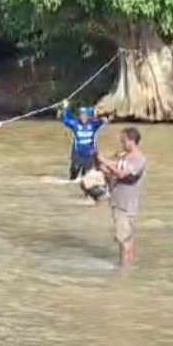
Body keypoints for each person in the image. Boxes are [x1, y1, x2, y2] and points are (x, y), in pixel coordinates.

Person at [97, 127, 147, 267]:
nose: (121, 143)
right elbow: (112, 173)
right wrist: (102, 166)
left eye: (123, 140)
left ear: (132, 141)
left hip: (126, 204)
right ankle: (127, 266)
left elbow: (122, 174)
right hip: (117, 201)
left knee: (124, 239)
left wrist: (105, 161)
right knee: (125, 239)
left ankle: (123, 270)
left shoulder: (139, 159)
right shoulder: (122, 156)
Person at [61, 99, 108, 180]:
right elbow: (66, 120)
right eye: (81, 114)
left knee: (86, 177)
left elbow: (104, 119)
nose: (82, 116)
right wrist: (66, 107)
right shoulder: (75, 123)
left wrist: (98, 112)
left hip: (89, 154)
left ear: (88, 116)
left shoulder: (94, 124)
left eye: (84, 114)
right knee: (73, 176)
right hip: (77, 154)